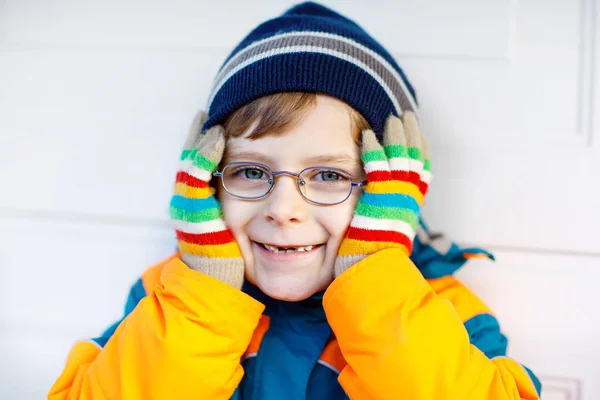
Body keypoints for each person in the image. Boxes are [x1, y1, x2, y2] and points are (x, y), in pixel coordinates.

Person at [48, 2, 542, 399]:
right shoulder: (171, 300)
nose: (283, 208)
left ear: (390, 188)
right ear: (204, 182)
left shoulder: (444, 311)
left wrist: (378, 288)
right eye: (249, 171)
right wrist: (203, 303)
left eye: (328, 174)